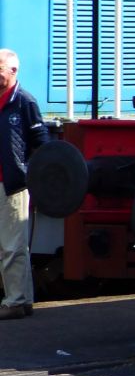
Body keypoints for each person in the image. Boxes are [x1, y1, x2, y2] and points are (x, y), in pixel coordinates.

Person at [0, 48, 50, 319]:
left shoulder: (24, 102)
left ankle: (16, 301)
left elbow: (41, 144)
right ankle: (22, 299)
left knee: (12, 245)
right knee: (6, 245)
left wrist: (30, 174)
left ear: (13, 71)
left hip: (12, 184)